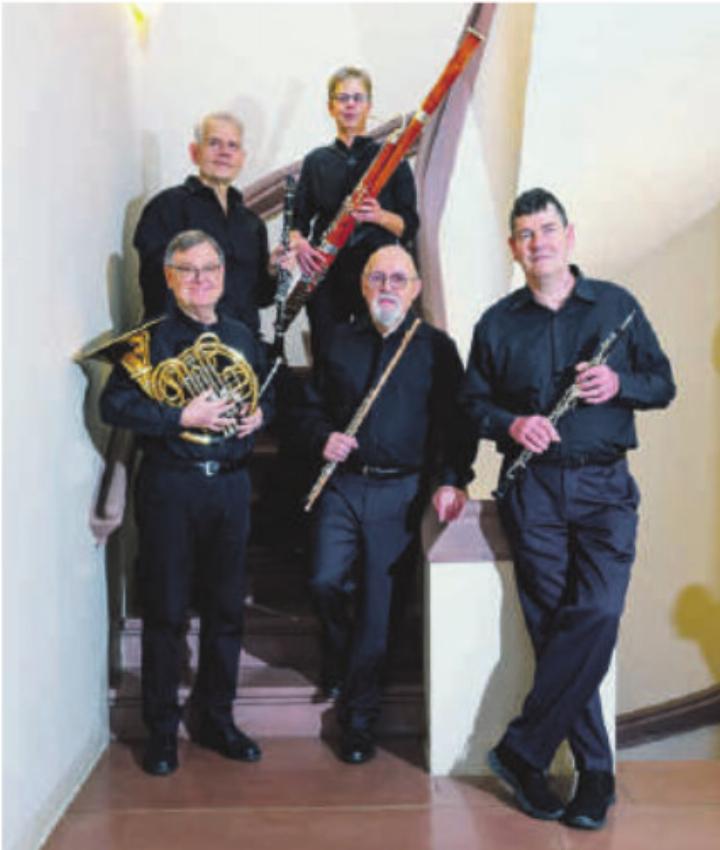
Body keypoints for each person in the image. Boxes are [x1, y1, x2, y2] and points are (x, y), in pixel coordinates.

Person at [461, 188, 675, 829]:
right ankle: (595, 774)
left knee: (597, 613)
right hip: (534, 490)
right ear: (514, 248)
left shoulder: (617, 307)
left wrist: (619, 383)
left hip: (605, 487)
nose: (539, 243)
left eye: (548, 230)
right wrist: (511, 424)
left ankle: (523, 750)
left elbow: (663, 384)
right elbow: (471, 404)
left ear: (569, 235)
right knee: (556, 627)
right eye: (527, 234)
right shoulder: (496, 324)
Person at [100, 229, 274, 776]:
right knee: (166, 610)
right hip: (171, 486)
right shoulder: (149, 340)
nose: (201, 279)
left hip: (230, 485)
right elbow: (113, 406)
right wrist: (181, 416)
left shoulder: (242, 335)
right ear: (170, 278)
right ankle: (161, 730)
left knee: (226, 610)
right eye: (188, 270)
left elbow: (268, 391)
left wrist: (260, 414)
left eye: (209, 269)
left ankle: (217, 719)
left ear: (223, 276)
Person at [297, 245, 473, 764]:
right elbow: (308, 410)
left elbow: (457, 424)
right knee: (323, 580)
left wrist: (450, 480)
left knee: (380, 610)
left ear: (416, 288)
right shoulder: (338, 341)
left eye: (399, 278)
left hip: (402, 492)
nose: (388, 287)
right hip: (343, 486)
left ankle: (359, 720)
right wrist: (322, 437)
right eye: (378, 277)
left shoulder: (437, 349)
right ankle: (339, 655)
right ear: (363, 285)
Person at [292, 67, 419, 358]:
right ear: (331, 107)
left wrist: (379, 216)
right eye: (342, 98)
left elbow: (410, 225)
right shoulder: (316, 161)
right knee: (327, 354)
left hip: (378, 274)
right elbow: (297, 221)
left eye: (357, 98)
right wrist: (299, 243)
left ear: (368, 106)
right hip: (327, 275)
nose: (350, 105)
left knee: (378, 352)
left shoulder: (392, 158)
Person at [134, 112, 279, 336]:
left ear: (242, 158)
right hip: (186, 344)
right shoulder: (166, 207)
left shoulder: (252, 223)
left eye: (232, 146)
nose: (224, 152)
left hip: (243, 345)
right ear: (195, 152)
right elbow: (157, 288)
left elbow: (261, 297)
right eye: (214, 143)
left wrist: (272, 269)